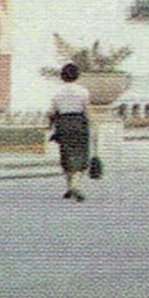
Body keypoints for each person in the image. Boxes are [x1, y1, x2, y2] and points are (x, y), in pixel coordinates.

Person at [49, 62, 92, 201]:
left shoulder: (57, 92)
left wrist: (51, 126)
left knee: (66, 154)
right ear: (77, 76)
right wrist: (93, 126)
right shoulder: (83, 91)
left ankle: (69, 186)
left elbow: (52, 111)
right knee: (81, 155)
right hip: (79, 123)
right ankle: (75, 185)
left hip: (63, 123)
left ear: (62, 76)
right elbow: (87, 110)